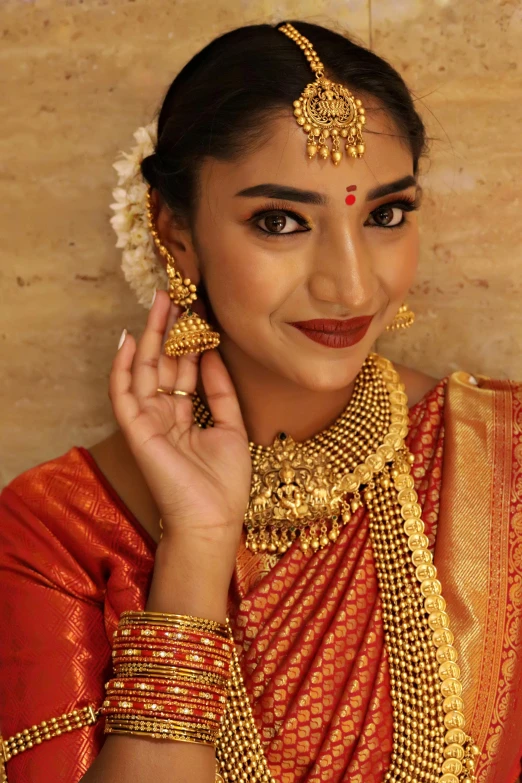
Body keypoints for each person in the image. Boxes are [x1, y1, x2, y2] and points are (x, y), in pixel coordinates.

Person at [0, 18, 520, 783]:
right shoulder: (57, 536)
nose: (350, 284)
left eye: (384, 214)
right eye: (280, 221)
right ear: (175, 233)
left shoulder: (502, 465)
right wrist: (199, 546)